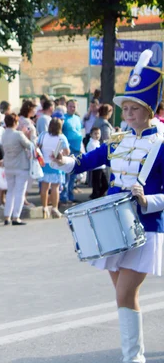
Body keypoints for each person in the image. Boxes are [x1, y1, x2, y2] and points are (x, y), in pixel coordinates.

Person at [51, 50, 164, 363]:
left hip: (146, 226)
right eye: (124, 108)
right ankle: (134, 353)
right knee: (122, 294)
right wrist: (64, 161)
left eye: (133, 108)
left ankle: (133, 357)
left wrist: (149, 201)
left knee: (125, 292)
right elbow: (87, 161)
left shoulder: (162, 144)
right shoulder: (117, 139)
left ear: (149, 109)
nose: (127, 113)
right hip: (114, 224)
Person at [2, 113, 33, 225]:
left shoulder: (4, 134)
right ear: (15, 122)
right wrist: (28, 134)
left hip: (9, 166)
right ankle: (16, 217)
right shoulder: (19, 134)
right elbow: (30, 145)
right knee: (20, 192)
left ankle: (7, 216)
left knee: (10, 191)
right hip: (21, 166)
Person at [37, 117, 69, 218]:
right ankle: (54, 208)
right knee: (55, 187)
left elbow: (37, 146)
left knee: (44, 187)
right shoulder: (62, 137)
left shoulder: (43, 135)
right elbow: (67, 152)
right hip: (56, 164)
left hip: (44, 163)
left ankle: (44, 208)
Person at [61, 99, 83, 204]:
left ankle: (71, 194)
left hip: (77, 148)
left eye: (74, 106)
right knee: (66, 174)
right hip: (68, 149)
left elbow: (79, 132)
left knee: (74, 173)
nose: (73, 108)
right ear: (66, 106)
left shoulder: (78, 118)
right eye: (71, 106)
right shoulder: (63, 118)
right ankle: (64, 196)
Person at [86, 127, 109, 199]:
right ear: (91, 134)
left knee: (105, 184)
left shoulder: (97, 143)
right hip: (96, 167)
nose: (97, 135)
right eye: (95, 133)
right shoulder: (91, 144)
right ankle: (96, 197)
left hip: (101, 167)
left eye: (98, 133)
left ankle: (97, 196)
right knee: (97, 184)